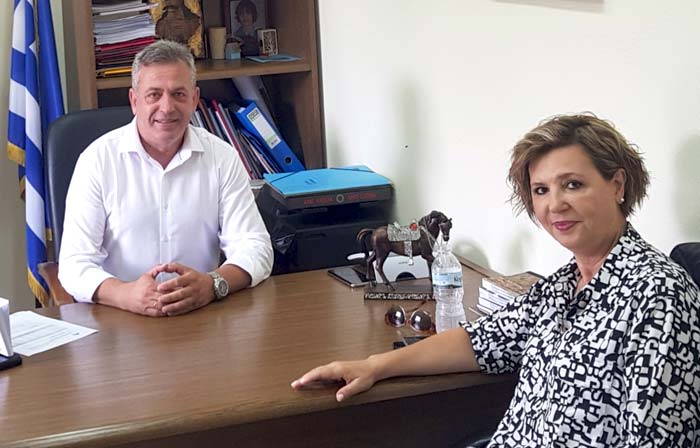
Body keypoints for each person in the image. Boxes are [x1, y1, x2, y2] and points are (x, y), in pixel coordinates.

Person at [292, 114, 700, 447]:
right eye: (541, 190)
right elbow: (480, 340)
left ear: (617, 185)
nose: (555, 204)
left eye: (573, 184)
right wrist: (373, 366)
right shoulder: (562, 286)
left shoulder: (658, 296)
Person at [58, 40, 273, 317]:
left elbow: (255, 246)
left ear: (194, 99)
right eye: (154, 95)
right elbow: (74, 264)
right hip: (119, 318)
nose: (167, 107)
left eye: (178, 94)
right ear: (134, 101)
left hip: (201, 314)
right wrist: (125, 294)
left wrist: (213, 284)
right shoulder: (97, 160)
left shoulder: (222, 157)